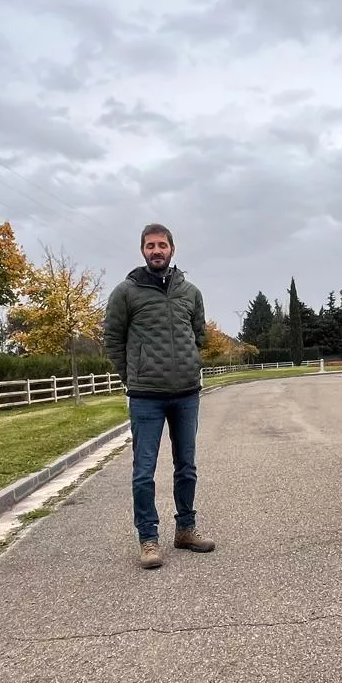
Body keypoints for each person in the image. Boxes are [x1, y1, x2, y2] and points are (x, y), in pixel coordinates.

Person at [102, 223, 211, 569]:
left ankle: (186, 529)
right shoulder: (126, 292)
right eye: (150, 246)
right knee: (143, 471)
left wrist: (189, 363)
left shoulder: (190, 292)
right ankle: (148, 539)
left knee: (187, 467)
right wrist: (132, 374)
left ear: (172, 250)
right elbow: (112, 341)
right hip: (146, 396)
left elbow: (200, 336)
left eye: (162, 245)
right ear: (142, 251)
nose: (156, 251)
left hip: (186, 394)